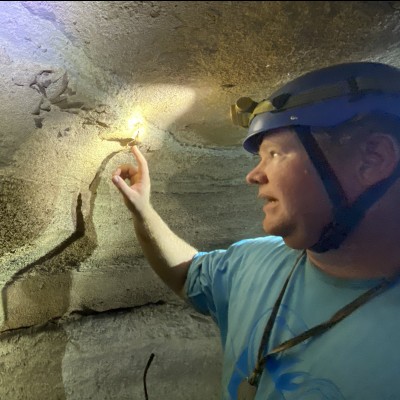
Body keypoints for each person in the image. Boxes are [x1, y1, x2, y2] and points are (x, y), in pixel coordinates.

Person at [112, 62, 400, 399]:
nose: (253, 175)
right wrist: (142, 210)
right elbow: (188, 274)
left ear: (372, 160)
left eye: (274, 153)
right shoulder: (255, 260)